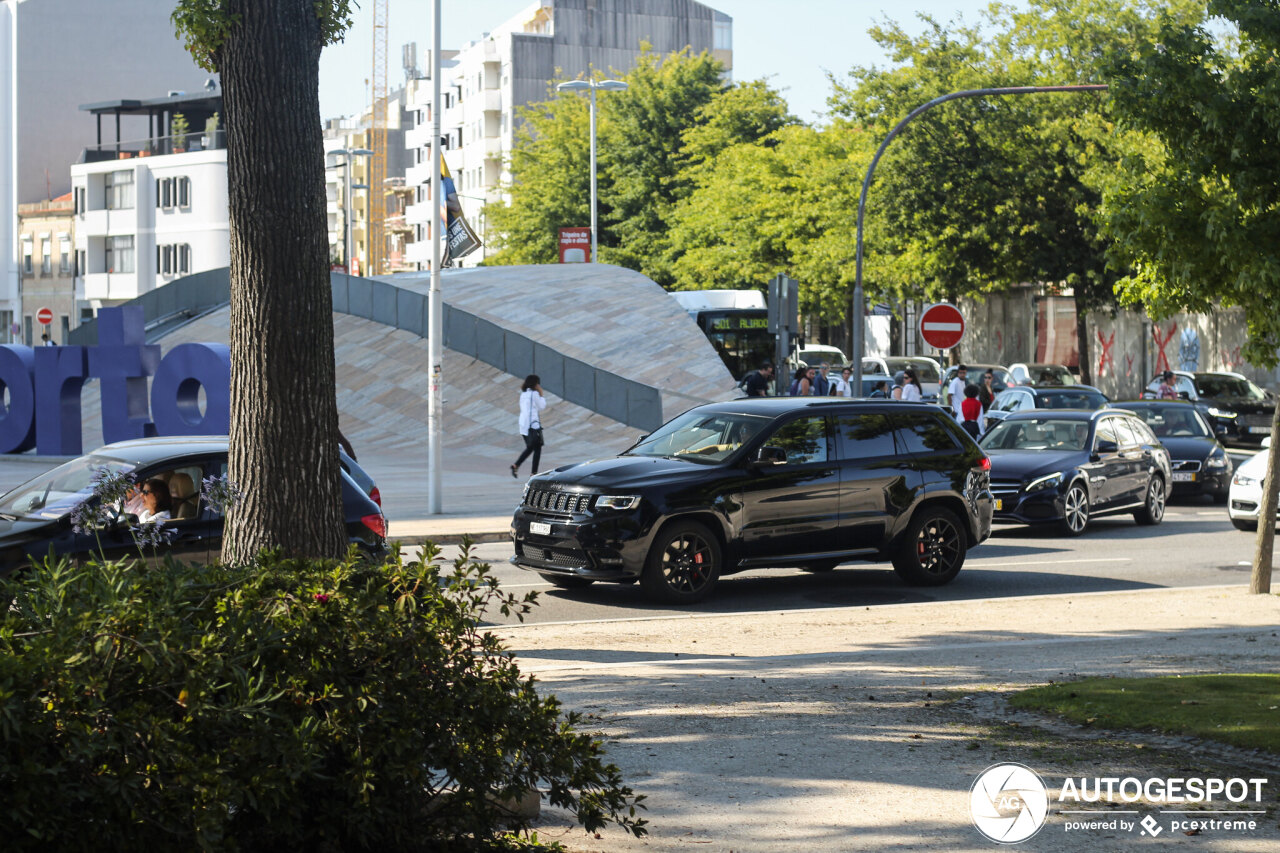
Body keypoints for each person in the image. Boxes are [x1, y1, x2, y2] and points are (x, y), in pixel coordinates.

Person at [511, 374, 546, 478]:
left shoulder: (523, 394)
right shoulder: (534, 394)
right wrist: (541, 394)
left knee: (530, 447)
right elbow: (542, 406)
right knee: (538, 448)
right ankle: (533, 473)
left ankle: (516, 465)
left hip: (523, 425)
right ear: (536, 384)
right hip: (532, 425)